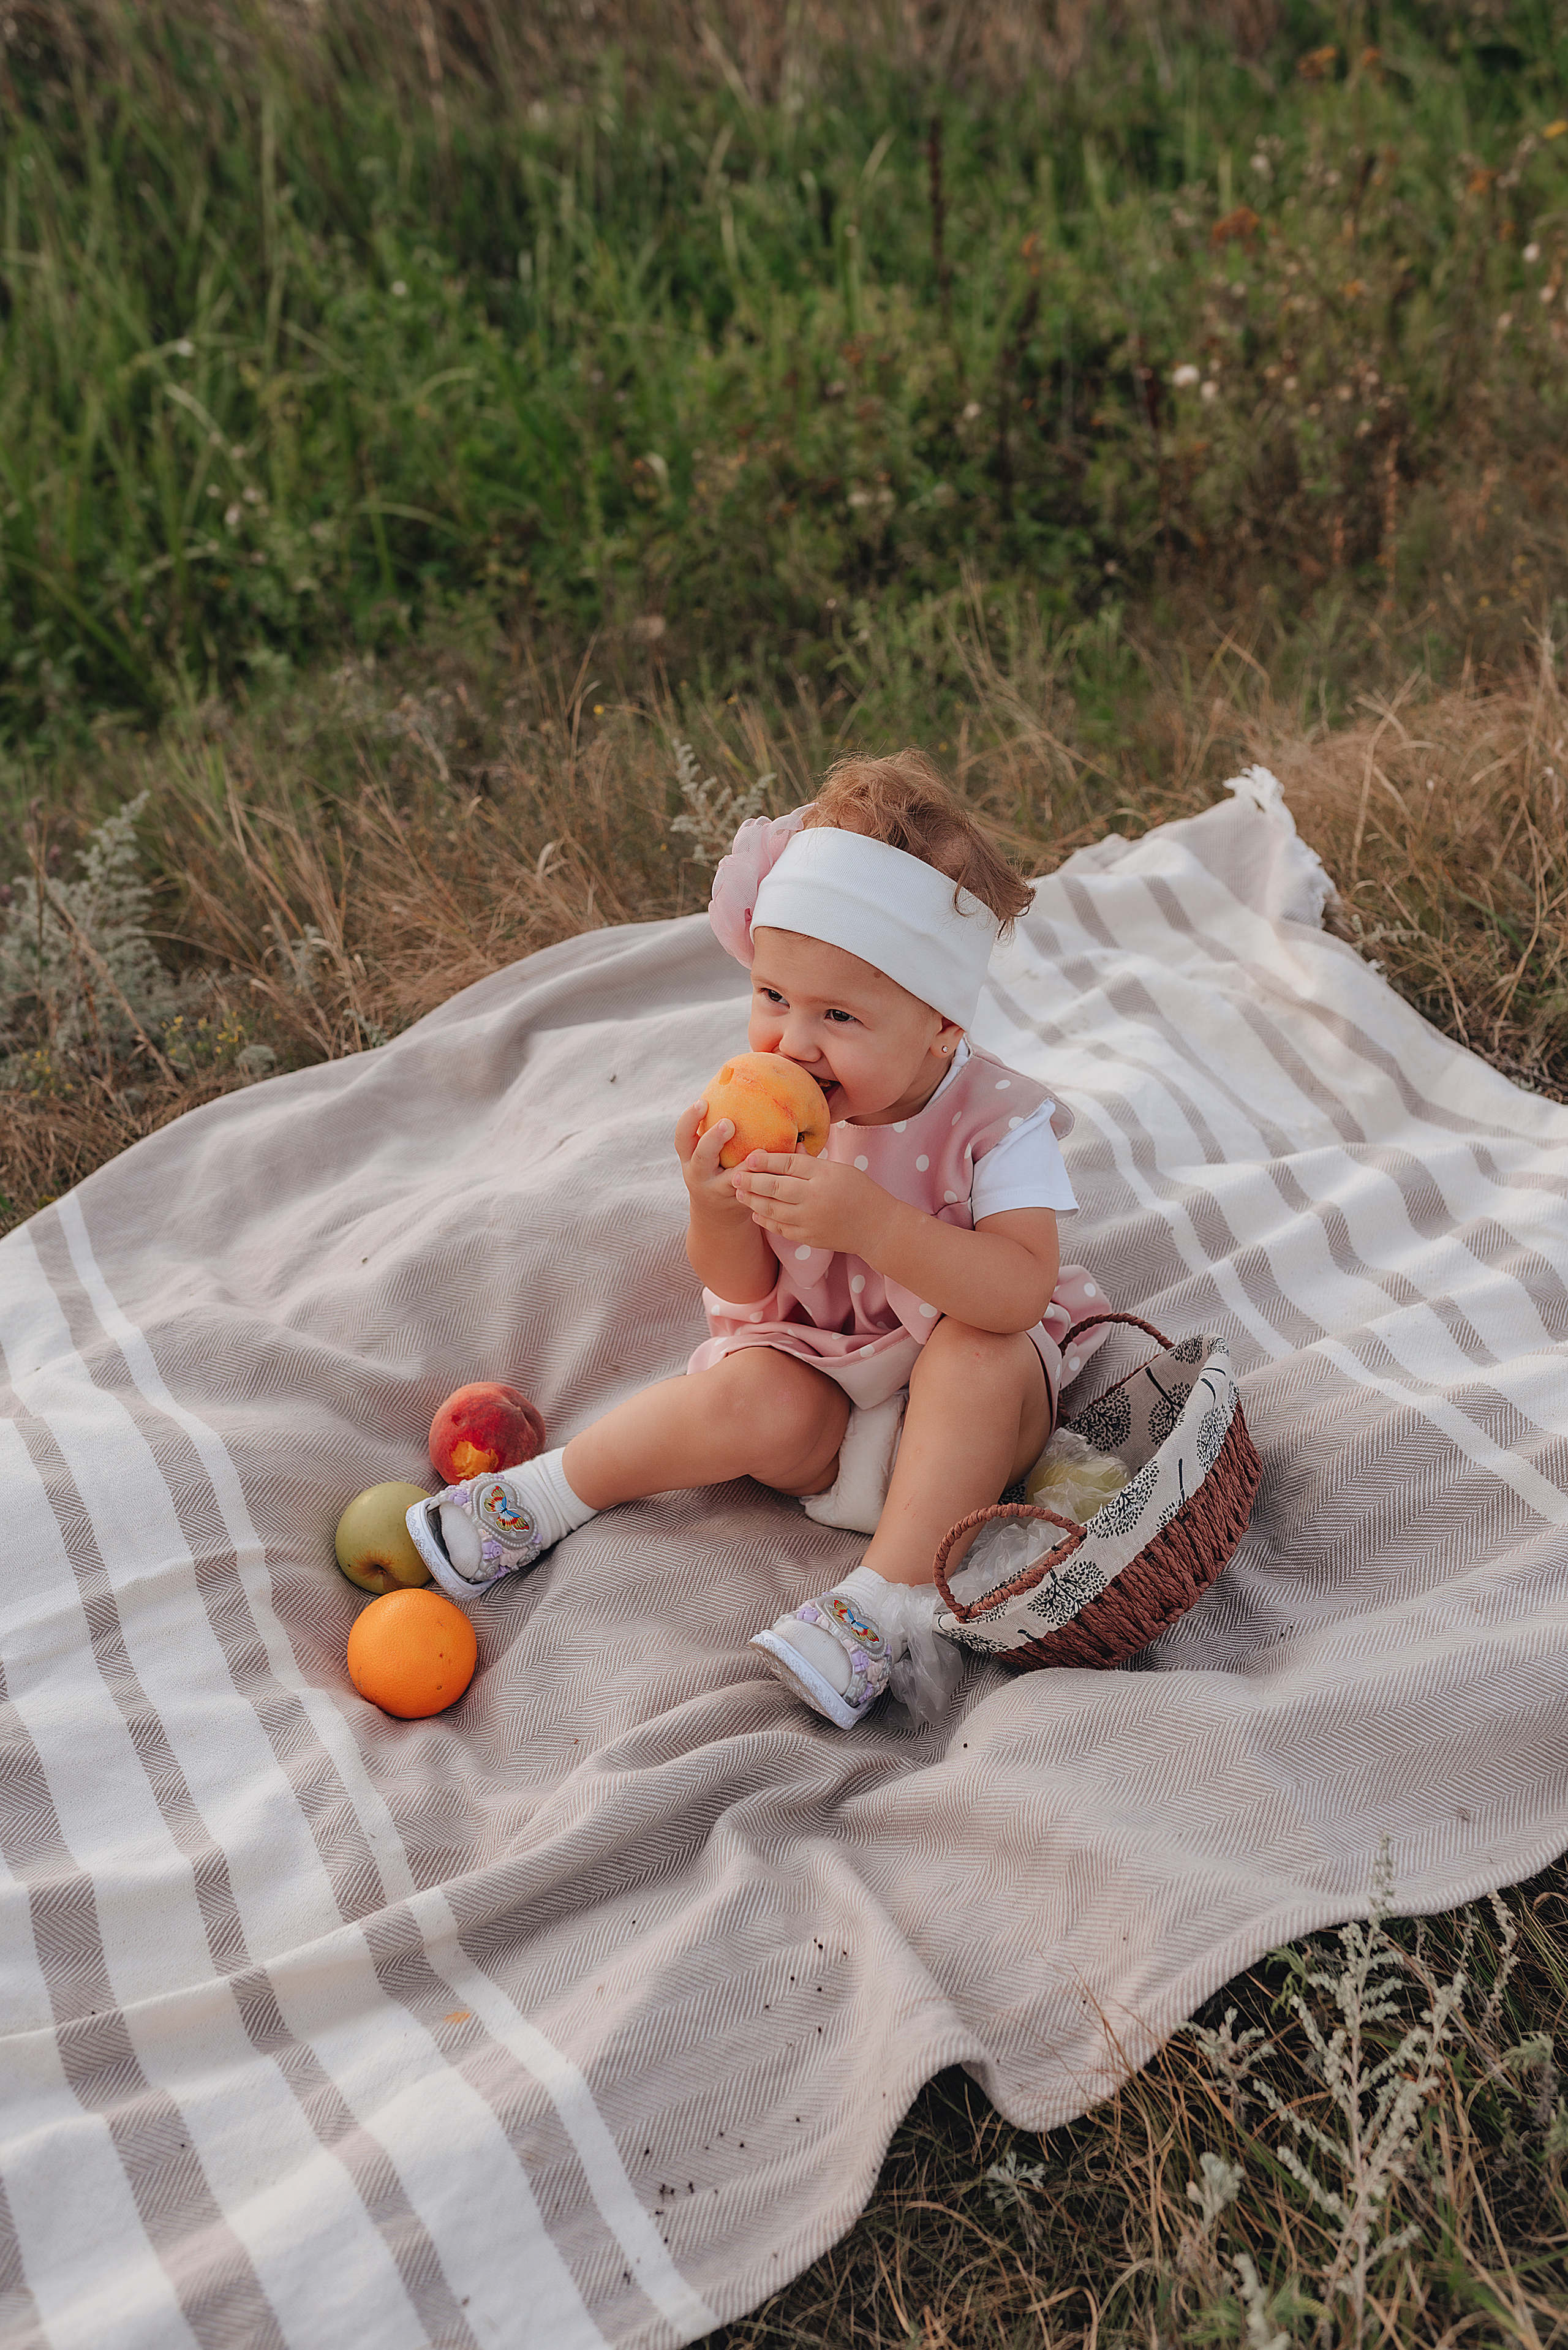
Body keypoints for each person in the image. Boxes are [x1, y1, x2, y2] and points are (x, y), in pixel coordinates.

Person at [407, 752, 1108, 1727]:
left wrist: (870, 1221)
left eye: (839, 1015)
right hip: (827, 1385)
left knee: (978, 1354)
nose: (792, 1043)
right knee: (745, 1391)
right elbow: (739, 1288)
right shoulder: (765, 1105)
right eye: (773, 997)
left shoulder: (997, 1122)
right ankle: (546, 1494)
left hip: (974, 1431)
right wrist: (717, 1205)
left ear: (941, 1027)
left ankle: (883, 1606)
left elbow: (1017, 1292)